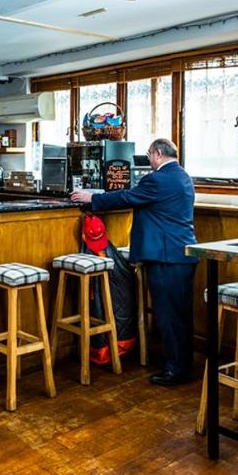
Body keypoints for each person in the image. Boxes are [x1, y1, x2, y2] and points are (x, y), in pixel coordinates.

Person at [71, 138, 198, 386]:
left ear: (158, 154)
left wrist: (91, 198)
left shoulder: (157, 179)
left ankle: (175, 370)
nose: (148, 159)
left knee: (168, 315)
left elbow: (128, 197)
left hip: (165, 256)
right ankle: (183, 365)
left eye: (149, 154)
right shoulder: (183, 176)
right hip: (182, 253)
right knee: (181, 314)